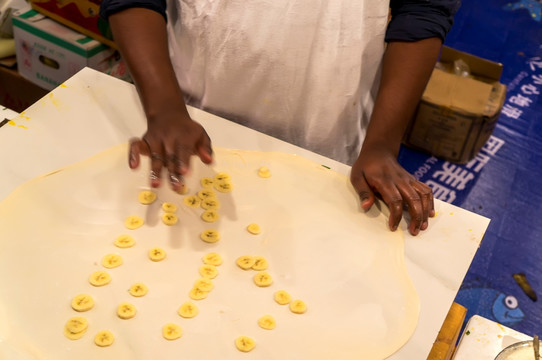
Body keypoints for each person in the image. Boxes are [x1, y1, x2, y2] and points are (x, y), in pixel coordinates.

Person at [99, 0, 460, 236]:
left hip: (321, 131)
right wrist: (164, 107)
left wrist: (381, 144)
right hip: (179, 117)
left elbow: (423, 11)